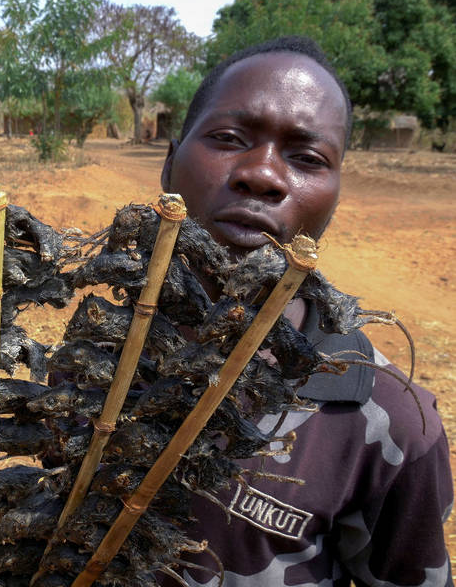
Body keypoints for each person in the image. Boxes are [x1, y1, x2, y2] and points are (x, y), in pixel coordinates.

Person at [159, 35, 454, 586]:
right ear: (170, 162)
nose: (262, 174)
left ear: (335, 196)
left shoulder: (391, 424)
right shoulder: (98, 351)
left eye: (306, 158)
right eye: (228, 138)